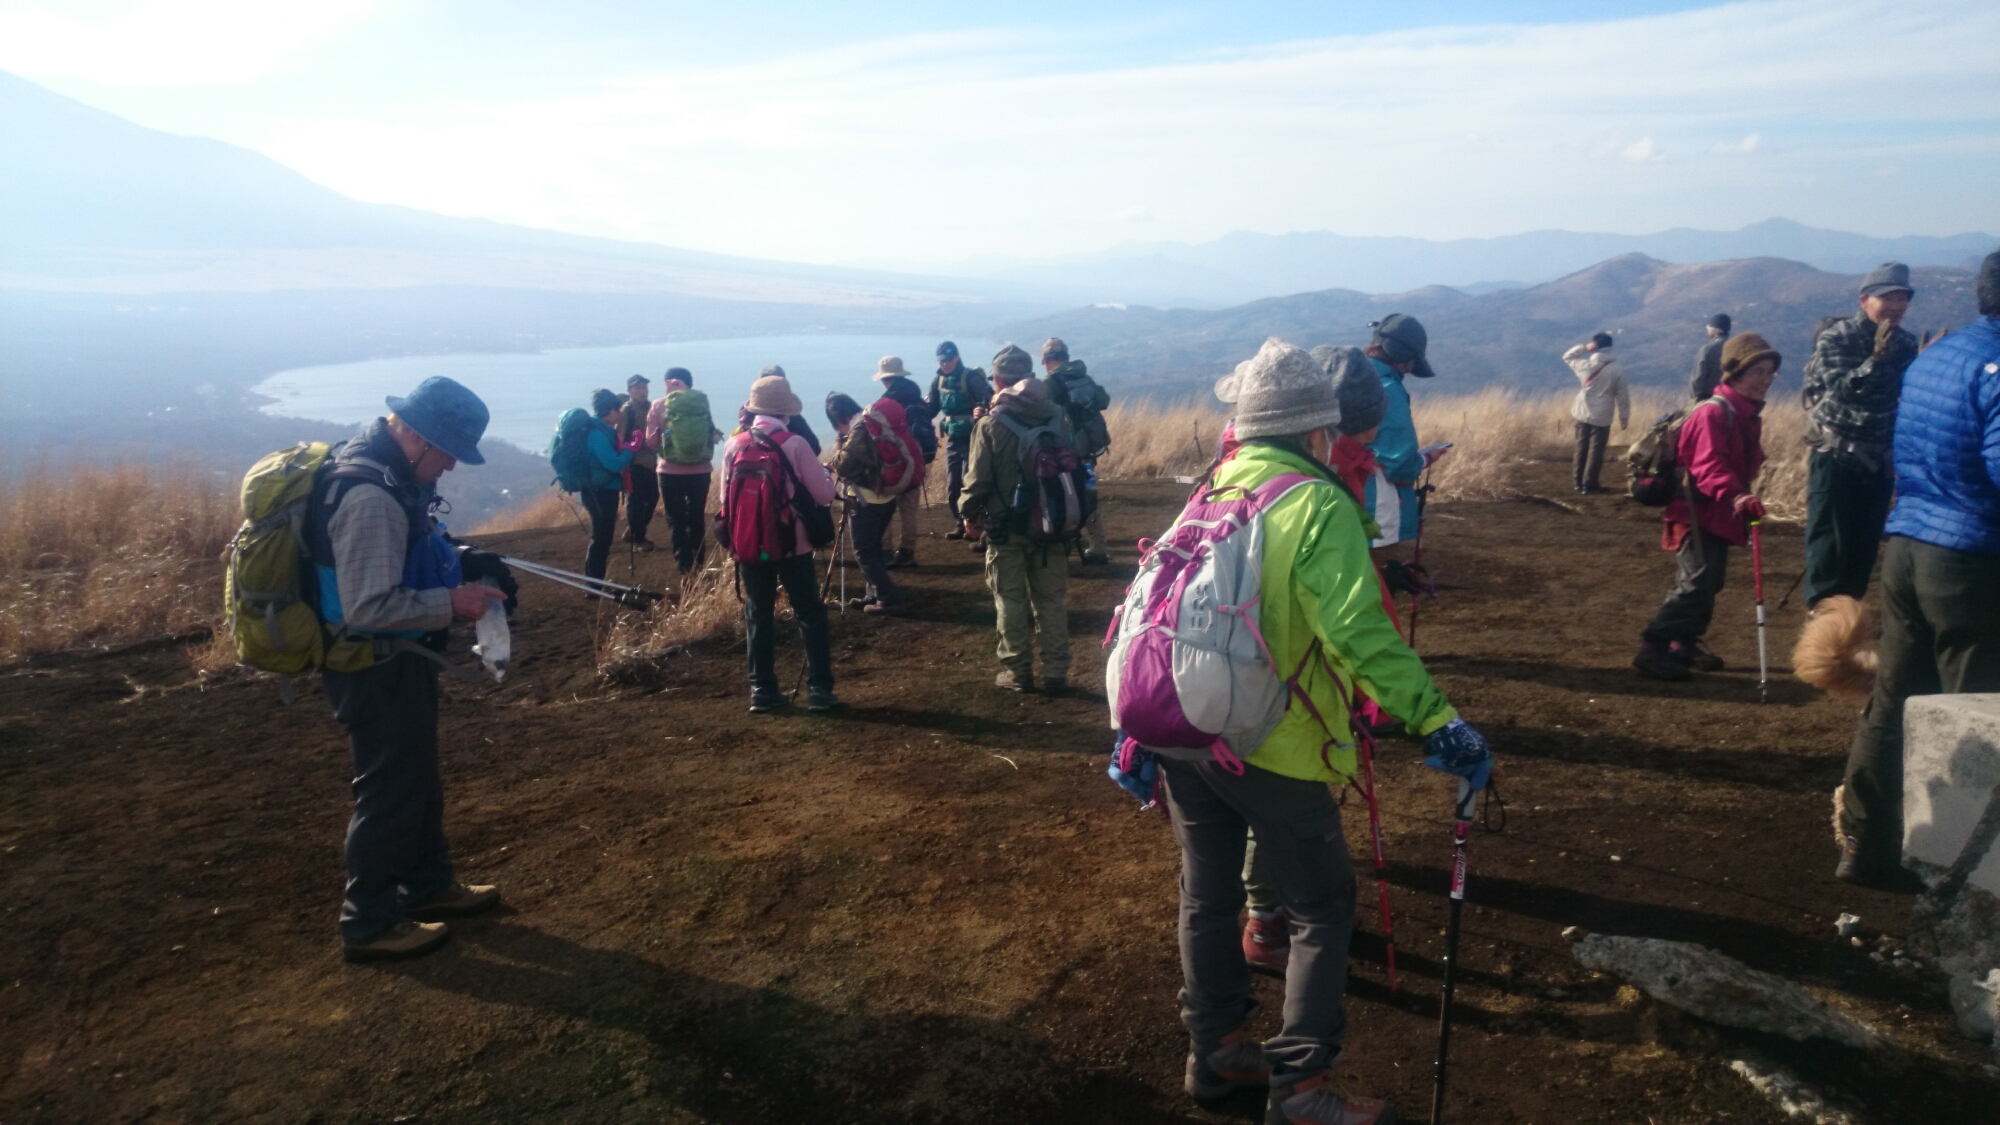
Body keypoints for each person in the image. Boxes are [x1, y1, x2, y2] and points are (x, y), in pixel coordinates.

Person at [1169, 338, 1490, 1124]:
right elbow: (1360, 635)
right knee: (1321, 903)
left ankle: (1215, 1053)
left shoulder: (1215, 485)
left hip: (1181, 722)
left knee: (1207, 893)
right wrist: (1439, 719)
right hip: (1268, 738)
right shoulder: (1316, 503)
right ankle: (1301, 1089)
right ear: (1318, 429)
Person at [307, 376, 509, 962]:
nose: (452, 465)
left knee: (415, 778)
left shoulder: (389, 475)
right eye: (448, 451)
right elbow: (369, 606)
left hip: (397, 657)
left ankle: (428, 884)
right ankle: (368, 922)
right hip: (372, 664)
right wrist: (454, 603)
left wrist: (461, 560)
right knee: (390, 789)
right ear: (418, 437)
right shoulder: (371, 497)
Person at [1833, 250, 2000, 893]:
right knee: (1975, 708)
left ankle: (1864, 842)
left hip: (1909, 543)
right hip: (1973, 557)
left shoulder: (1937, 354)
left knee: (1896, 696)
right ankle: (1961, 871)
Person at [1631, 333, 1779, 681]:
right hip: (1697, 513)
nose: (1766, 380)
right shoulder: (1714, 413)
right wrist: (1737, 496)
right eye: (1758, 371)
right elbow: (1708, 466)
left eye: (1770, 372)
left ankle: (1682, 643)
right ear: (1735, 373)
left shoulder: (1742, 413)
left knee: (1707, 580)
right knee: (1698, 582)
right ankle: (1653, 647)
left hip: (1714, 511)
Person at [1800, 263, 1919, 608]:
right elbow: (1842, 391)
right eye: (1888, 298)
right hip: (1837, 457)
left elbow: (1906, 396)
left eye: (1903, 298)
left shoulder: (1906, 342)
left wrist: (1928, 367)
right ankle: (1823, 623)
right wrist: (1876, 361)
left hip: (1879, 462)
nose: (1897, 306)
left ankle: (1849, 620)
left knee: (1863, 550)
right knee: (1828, 548)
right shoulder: (1837, 337)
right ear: (1864, 300)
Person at [722, 373, 840, 714]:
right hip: (792, 544)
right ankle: (819, 689)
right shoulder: (795, 444)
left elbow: (725, 502)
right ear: (786, 411)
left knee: (757, 614)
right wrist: (827, 476)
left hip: (748, 544)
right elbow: (824, 495)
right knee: (809, 612)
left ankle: (762, 689)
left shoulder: (734, 445)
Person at [961, 345, 1071, 692]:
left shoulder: (990, 424)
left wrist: (967, 514)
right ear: (1031, 378)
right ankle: (1056, 671)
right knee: (1051, 600)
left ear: (997, 381)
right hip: (1052, 523)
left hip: (1006, 527)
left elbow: (977, 482)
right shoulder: (1057, 416)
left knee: (1009, 599)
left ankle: (1017, 671)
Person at [1361, 314, 1440, 552]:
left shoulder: (1350, 380)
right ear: (1407, 359)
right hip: (1377, 508)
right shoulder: (1389, 390)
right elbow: (1400, 465)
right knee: (1377, 572)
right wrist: (1426, 458)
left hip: (1340, 502)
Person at [825, 390, 906, 615]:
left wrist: (838, 446)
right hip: (885, 495)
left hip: (866, 499)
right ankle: (874, 594)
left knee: (864, 552)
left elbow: (844, 465)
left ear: (838, 419)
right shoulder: (871, 423)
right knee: (873, 548)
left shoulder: (858, 430)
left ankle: (887, 598)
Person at [1042, 337, 1112, 564]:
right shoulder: (1083, 378)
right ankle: (1098, 548)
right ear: (1067, 357)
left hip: (1063, 454)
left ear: (1046, 361)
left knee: (1062, 495)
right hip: (1088, 452)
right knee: (1089, 495)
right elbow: (1103, 401)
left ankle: (1062, 544)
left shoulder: (1050, 383)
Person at [646, 368, 722, 575]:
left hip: (669, 471)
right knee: (696, 517)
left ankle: (685, 567)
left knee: (676, 519)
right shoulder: (700, 402)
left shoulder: (659, 405)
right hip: (700, 471)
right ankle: (699, 562)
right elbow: (709, 433)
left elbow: (652, 442)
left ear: (668, 383)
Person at [926, 341, 994, 541]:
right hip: (954, 438)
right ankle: (961, 524)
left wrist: (981, 409)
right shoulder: (938, 381)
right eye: (941, 361)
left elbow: (990, 399)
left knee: (969, 481)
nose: (945, 364)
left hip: (974, 438)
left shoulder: (971, 377)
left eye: (948, 359)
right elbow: (932, 408)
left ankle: (975, 524)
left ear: (957, 357)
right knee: (953, 484)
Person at [873, 355, 936, 568]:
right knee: (909, 510)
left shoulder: (886, 402)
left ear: (886, 379)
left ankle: (886, 551)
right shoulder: (916, 396)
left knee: (885, 507)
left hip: (894, 463)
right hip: (917, 460)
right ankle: (907, 551)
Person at [1563, 332, 1632, 494]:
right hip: (1603, 414)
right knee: (1596, 451)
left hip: (1582, 411)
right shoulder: (1616, 369)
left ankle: (1578, 482)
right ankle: (1590, 484)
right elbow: (1622, 395)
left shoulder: (1586, 365)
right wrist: (1624, 416)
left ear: (1594, 346)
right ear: (1609, 347)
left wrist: (1584, 348)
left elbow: (1567, 357)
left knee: (1581, 447)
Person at [579, 388, 634, 584]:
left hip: (598, 491)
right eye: (617, 410)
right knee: (601, 538)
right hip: (600, 492)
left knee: (601, 537)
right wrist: (629, 450)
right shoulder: (598, 434)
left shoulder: (599, 431)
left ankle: (595, 582)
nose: (620, 414)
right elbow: (614, 464)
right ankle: (594, 584)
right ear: (609, 410)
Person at [617, 374, 659, 551]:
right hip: (633, 464)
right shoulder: (627, 411)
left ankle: (634, 531)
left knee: (653, 497)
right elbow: (619, 438)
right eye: (637, 388)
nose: (642, 391)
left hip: (650, 462)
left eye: (644, 387)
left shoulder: (651, 407)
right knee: (636, 501)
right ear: (630, 391)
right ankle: (638, 539)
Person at [1690, 313, 1732, 401]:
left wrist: (1695, 399)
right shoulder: (1735, 347)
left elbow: (1697, 378)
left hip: (1708, 399)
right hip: (1731, 398)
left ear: (1714, 330)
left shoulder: (1707, 349)